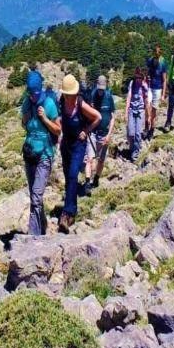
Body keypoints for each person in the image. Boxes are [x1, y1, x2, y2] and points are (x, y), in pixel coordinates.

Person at [58, 74, 101, 234]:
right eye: (66, 94)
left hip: (78, 145)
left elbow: (98, 117)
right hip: (66, 145)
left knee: (72, 175)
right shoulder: (61, 101)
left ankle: (66, 213)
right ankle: (72, 210)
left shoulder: (81, 104)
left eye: (70, 94)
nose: (68, 97)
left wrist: (86, 130)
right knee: (68, 177)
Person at [20, 70, 61, 236]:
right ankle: (42, 226)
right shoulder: (26, 103)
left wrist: (44, 119)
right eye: (30, 94)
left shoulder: (49, 104)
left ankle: (33, 237)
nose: (32, 97)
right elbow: (24, 126)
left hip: (45, 153)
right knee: (34, 196)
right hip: (30, 153)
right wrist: (26, 118)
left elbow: (58, 130)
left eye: (35, 94)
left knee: (36, 197)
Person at [84, 75, 115, 191]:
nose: (101, 91)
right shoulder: (92, 95)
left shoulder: (109, 96)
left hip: (104, 134)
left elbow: (112, 117)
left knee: (101, 159)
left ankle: (96, 178)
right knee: (89, 158)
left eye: (103, 89)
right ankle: (87, 183)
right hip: (93, 132)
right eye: (99, 89)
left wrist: (109, 135)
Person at [125, 67, 151, 162]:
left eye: (140, 78)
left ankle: (135, 155)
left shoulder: (144, 86)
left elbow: (146, 101)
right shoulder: (132, 84)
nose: (138, 80)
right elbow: (128, 97)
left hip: (140, 111)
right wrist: (125, 112)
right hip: (132, 110)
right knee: (131, 133)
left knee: (137, 134)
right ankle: (132, 148)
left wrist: (148, 116)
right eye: (137, 78)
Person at [145, 45, 168, 139]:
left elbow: (164, 79)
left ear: (160, 53)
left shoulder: (163, 63)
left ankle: (151, 129)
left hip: (158, 88)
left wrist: (163, 94)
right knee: (147, 105)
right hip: (150, 86)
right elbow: (147, 72)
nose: (156, 54)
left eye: (158, 52)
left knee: (154, 109)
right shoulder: (150, 60)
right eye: (155, 52)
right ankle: (147, 125)